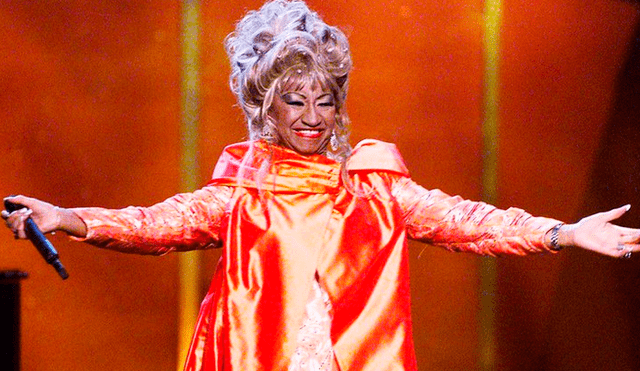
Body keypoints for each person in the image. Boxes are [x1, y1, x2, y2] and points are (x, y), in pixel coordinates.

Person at [3, 1, 640, 370]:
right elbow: (153, 224)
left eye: (324, 101)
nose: (312, 117)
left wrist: (563, 233)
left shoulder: (375, 185)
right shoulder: (242, 191)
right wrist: (66, 217)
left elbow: (471, 221)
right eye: (295, 102)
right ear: (265, 111)